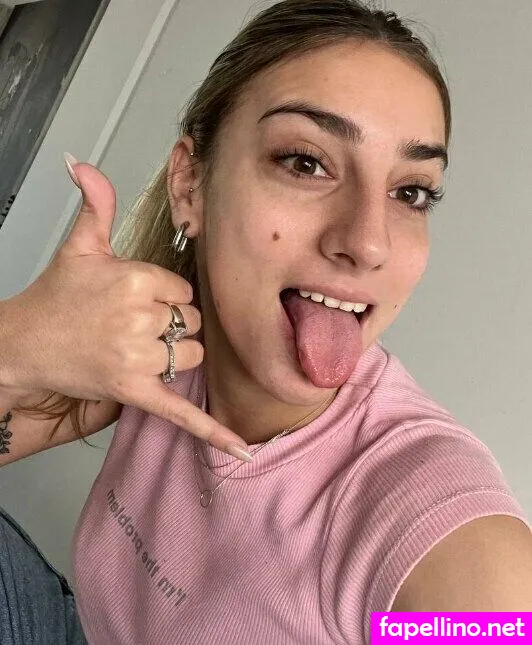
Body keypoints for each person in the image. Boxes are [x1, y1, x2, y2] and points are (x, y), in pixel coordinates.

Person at [1, 0, 532, 643]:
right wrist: (15, 346)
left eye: (409, 192)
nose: (369, 243)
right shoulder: (161, 347)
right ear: (190, 186)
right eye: (306, 162)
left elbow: (493, 610)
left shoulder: (422, 508)